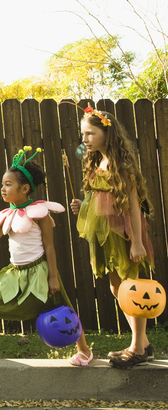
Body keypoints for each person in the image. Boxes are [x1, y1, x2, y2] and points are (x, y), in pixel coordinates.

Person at [0, 146, 92, 366]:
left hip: (41, 272)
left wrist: (52, 277)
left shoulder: (40, 214)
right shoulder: (8, 215)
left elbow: (50, 247)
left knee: (65, 308)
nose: (3, 189)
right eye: (2, 185)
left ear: (25, 188)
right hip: (15, 273)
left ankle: (84, 350)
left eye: (8, 184)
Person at [70, 106, 155, 369]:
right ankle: (143, 343)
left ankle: (137, 347)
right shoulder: (98, 161)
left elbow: (132, 205)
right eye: (83, 134)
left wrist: (138, 242)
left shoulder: (122, 164)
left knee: (134, 288)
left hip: (124, 234)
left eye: (90, 134)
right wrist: (82, 204)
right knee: (117, 288)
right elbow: (101, 197)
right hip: (106, 235)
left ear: (107, 133)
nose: (85, 140)